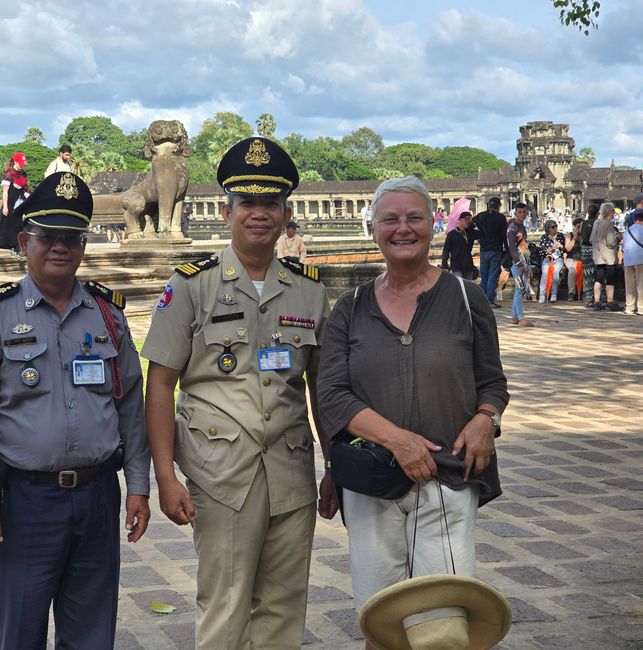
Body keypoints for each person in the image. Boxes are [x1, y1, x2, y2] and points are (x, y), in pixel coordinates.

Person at [142, 137, 335, 649]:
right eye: (247, 202)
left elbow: (321, 387)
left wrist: (334, 467)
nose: (258, 213)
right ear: (227, 212)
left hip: (291, 470)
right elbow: (160, 384)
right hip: (220, 472)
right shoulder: (191, 285)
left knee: (283, 607)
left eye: (269, 203)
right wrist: (165, 475)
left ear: (285, 212)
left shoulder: (310, 290)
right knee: (225, 605)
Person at [0, 171, 151, 649]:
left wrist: (138, 487)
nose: (59, 247)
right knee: (20, 632)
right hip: (24, 501)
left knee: (91, 633)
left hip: (97, 495)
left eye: (71, 238)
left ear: (83, 244)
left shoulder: (108, 313)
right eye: (47, 237)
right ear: (24, 241)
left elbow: (130, 407)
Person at [316, 176, 508, 648]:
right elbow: (333, 396)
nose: (403, 229)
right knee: (382, 617)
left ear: (433, 224)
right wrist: (397, 440)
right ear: (374, 229)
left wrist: (488, 418)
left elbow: (492, 381)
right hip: (374, 482)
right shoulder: (350, 307)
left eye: (414, 218)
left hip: (448, 476)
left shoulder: (467, 299)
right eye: (390, 219)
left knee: (442, 626)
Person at [0, 152, 31, 256]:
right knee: (8, 225)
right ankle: (14, 247)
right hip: (10, 203)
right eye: (20, 163)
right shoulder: (9, 173)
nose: (22, 165)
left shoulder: (23, 173)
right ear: (15, 161)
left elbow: (25, 188)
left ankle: (19, 247)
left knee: (20, 225)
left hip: (20, 202)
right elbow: (5, 191)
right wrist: (5, 207)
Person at [472, 196, 507, 308]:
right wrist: (506, 249)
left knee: (484, 276)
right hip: (496, 248)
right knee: (492, 275)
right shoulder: (501, 218)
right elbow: (504, 235)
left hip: (484, 248)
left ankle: (482, 300)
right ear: (499, 206)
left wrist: (480, 232)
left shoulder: (481, 215)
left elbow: (472, 221)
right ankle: (490, 300)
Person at [591, 202, 621, 311]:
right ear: (609, 212)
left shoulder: (596, 222)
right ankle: (610, 301)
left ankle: (597, 301)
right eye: (613, 210)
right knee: (610, 279)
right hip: (608, 256)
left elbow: (591, 239)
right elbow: (611, 242)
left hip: (598, 255)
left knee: (598, 278)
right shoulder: (608, 224)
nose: (614, 213)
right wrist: (617, 237)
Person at [507, 202, 534, 326]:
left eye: (524, 212)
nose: (522, 214)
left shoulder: (522, 227)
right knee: (520, 289)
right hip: (516, 262)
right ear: (515, 213)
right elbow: (512, 248)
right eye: (519, 212)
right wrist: (519, 263)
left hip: (524, 259)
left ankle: (514, 316)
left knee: (519, 289)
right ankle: (521, 317)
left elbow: (524, 245)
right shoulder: (512, 228)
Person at [440, 210, 476, 279]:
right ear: (460, 219)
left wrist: (474, 224)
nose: (468, 221)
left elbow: (484, 233)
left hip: (468, 266)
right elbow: (446, 250)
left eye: (469, 219)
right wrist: (444, 265)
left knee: (467, 288)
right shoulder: (452, 234)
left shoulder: (470, 233)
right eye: (466, 219)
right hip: (457, 267)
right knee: (459, 287)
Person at [537, 219, 565, 303]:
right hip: (547, 259)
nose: (555, 228)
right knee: (545, 273)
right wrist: (552, 247)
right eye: (553, 227)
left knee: (555, 272)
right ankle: (542, 295)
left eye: (556, 226)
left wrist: (561, 246)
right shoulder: (544, 238)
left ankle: (554, 294)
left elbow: (564, 250)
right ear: (548, 228)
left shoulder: (560, 236)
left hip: (558, 259)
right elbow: (542, 252)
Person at [621, 208, 643, 315]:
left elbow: (623, 246)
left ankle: (629, 307)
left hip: (628, 259)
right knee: (641, 284)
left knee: (629, 284)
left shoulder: (627, 231)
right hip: (640, 259)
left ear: (634, 220)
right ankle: (641, 308)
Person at [580, 203, 599, 306]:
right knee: (598, 275)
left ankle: (588, 299)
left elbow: (582, 237)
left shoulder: (583, 223)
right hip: (594, 249)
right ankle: (599, 298)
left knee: (588, 275)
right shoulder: (597, 222)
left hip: (585, 250)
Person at [564, 218, 584, 300]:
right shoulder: (569, 235)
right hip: (571, 258)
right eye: (578, 227)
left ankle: (585, 292)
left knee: (585, 270)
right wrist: (574, 238)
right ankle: (571, 293)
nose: (580, 229)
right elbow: (568, 249)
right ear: (574, 227)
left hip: (582, 258)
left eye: (581, 227)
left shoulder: (585, 235)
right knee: (572, 271)